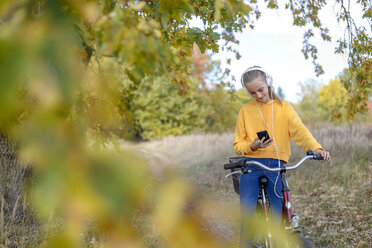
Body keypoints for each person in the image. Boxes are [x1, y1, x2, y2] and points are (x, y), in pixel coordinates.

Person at [233, 66, 330, 245]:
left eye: (260, 90)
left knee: (278, 218)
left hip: (276, 166)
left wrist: (316, 148)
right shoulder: (245, 111)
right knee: (247, 218)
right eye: (252, 93)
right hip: (252, 166)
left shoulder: (283, 108)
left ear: (268, 83)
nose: (258, 95)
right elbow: (238, 144)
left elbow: (300, 132)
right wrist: (252, 146)